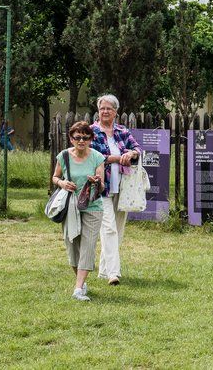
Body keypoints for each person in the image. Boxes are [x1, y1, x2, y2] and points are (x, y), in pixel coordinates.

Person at [90, 93, 141, 285]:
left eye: (108, 109)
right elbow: (93, 156)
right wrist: (118, 158)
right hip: (101, 187)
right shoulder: (91, 131)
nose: (104, 112)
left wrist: (132, 153)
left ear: (115, 112)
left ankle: (104, 270)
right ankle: (114, 273)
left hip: (122, 187)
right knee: (109, 228)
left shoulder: (122, 131)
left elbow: (137, 149)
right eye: (102, 108)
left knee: (118, 231)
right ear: (98, 110)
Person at [52, 121, 105, 301]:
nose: (81, 141)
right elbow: (55, 177)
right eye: (77, 137)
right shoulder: (64, 156)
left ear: (91, 139)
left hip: (92, 207)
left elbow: (103, 186)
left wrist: (96, 182)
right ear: (71, 138)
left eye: (85, 137)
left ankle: (78, 288)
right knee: (72, 245)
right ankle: (80, 281)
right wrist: (62, 183)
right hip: (71, 206)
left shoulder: (98, 157)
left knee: (88, 246)